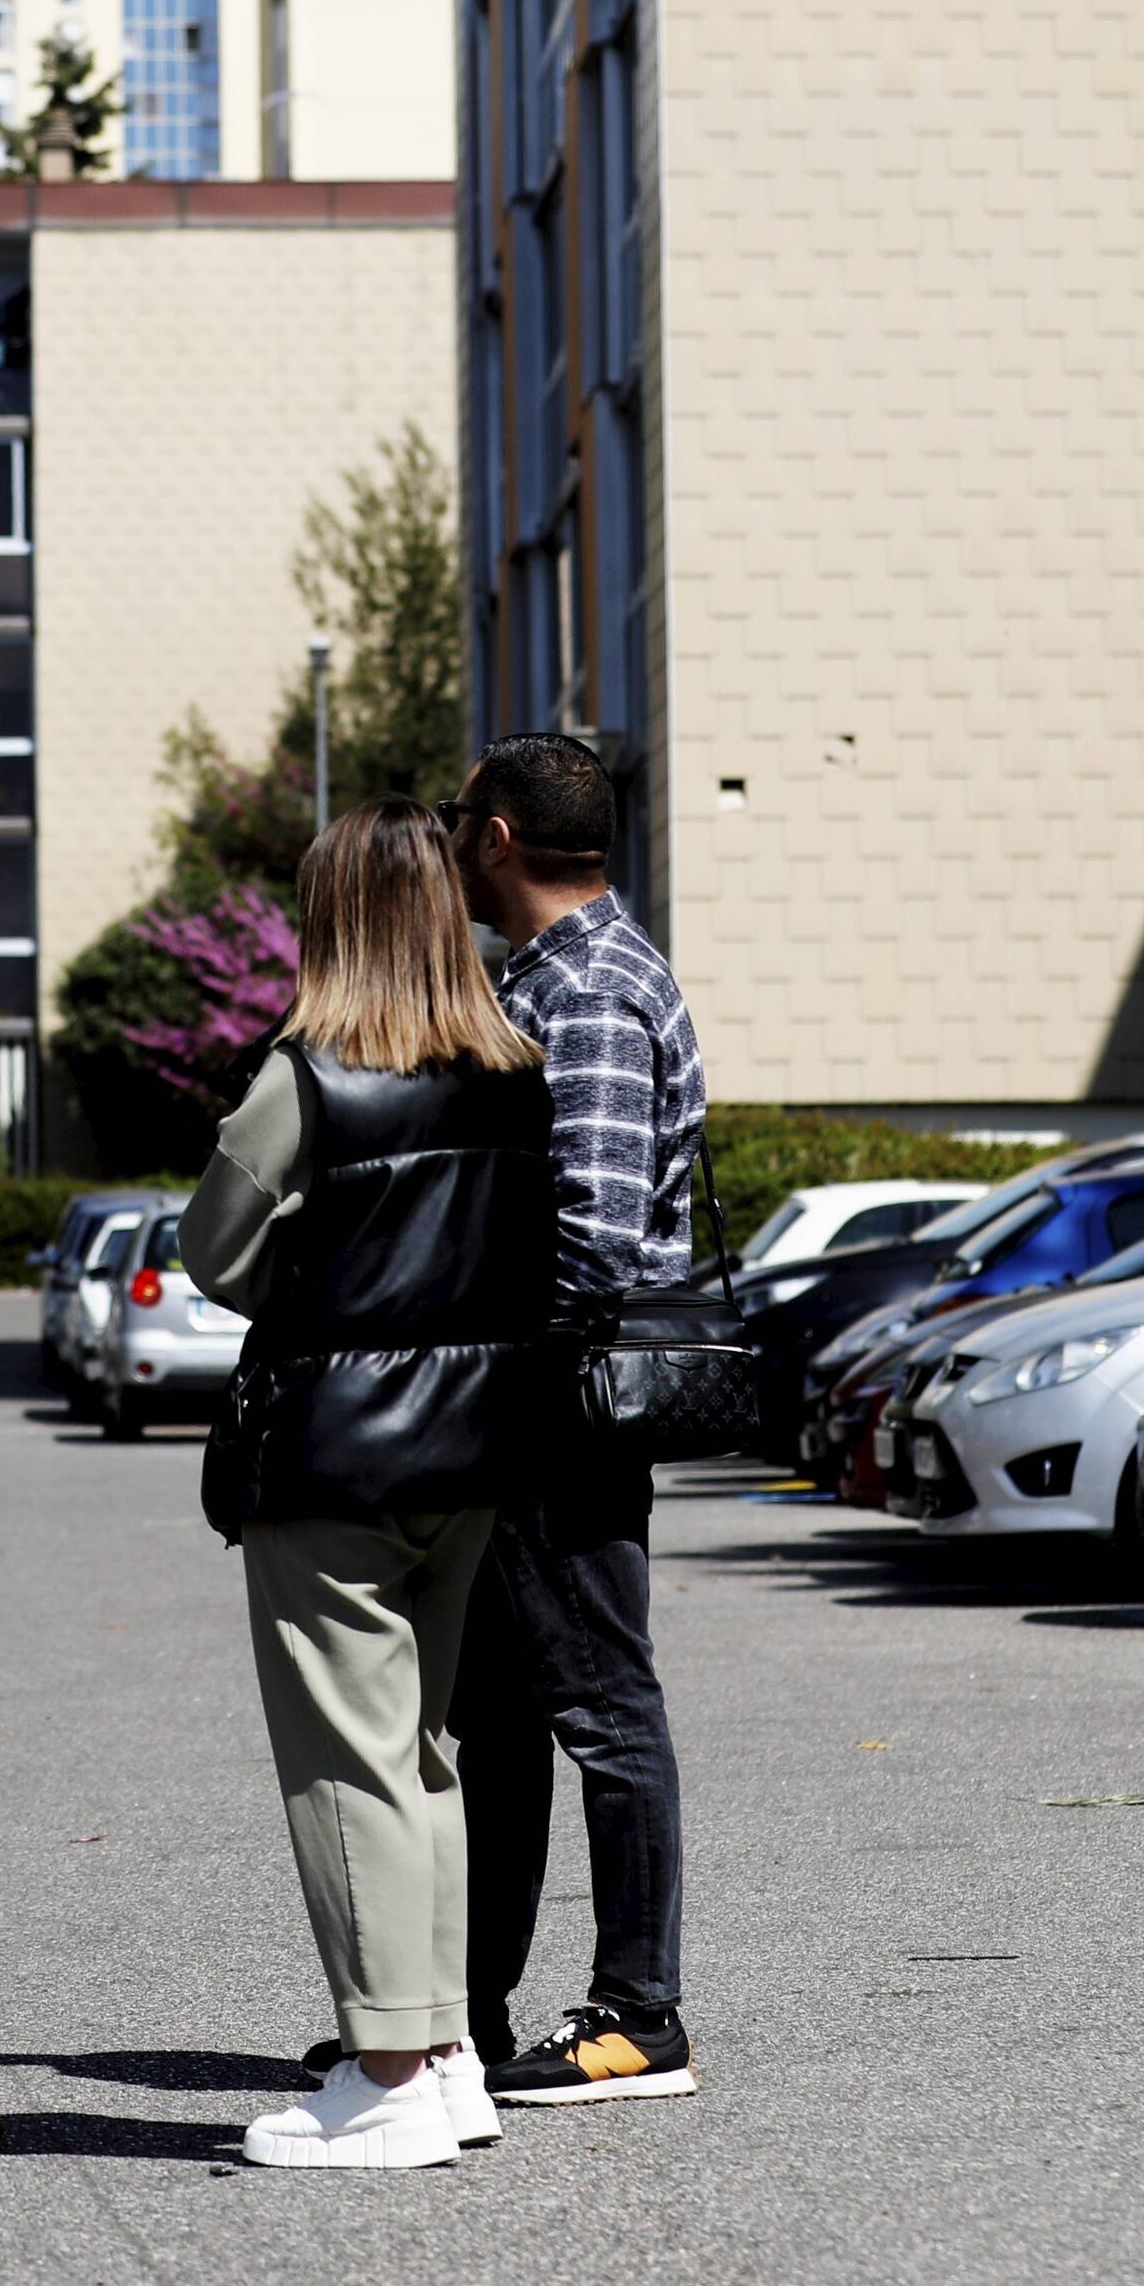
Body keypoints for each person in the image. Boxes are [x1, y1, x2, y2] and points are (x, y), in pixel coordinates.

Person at [183, 801, 562, 2171]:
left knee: (350, 1759)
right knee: (422, 1752)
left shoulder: (309, 1075)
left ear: (334, 918)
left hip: (333, 1454)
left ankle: (391, 2067)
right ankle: (448, 2050)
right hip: (474, 1452)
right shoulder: (515, 1067)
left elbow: (215, 1249)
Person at [449, 730, 708, 2105]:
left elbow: (592, 1240)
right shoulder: (548, 974)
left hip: (566, 1407)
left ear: (498, 835)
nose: (447, 843)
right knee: (496, 1719)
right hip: (533, 1404)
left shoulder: (592, 991)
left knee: (604, 1707)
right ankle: (464, 2021)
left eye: (456, 819)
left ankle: (641, 2013)